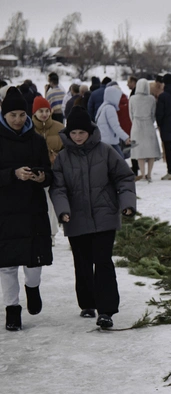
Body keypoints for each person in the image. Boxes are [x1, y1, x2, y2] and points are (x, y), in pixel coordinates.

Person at [49, 106, 136, 328]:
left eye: (82, 132)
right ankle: (87, 302)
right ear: (68, 134)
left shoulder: (105, 151)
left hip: (104, 215)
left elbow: (124, 178)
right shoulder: (62, 158)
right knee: (83, 262)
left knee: (103, 261)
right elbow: (58, 188)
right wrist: (63, 210)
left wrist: (126, 204)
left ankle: (106, 311)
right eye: (74, 133)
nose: (78, 137)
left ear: (90, 132)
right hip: (75, 218)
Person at [0, 87, 53, 331]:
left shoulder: (36, 140)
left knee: (34, 262)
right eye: (13, 115)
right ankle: (12, 310)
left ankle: (33, 288)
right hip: (5, 211)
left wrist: (42, 177)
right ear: (4, 115)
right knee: (7, 266)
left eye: (22, 114)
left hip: (32, 208)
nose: (19, 120)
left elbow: (49, 172)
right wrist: (12, 174)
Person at [32, 96, 65, 245]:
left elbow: (67, 148)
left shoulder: (59, 128)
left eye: (46, 110)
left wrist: (59, 156)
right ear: (34, 113)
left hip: (55, 171)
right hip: (36, 171)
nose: (44, 114)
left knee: (51, 203)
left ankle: (51, 233)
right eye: (40, 111)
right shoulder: (28, 128)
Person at [129, 78, 161, 182]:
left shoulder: (132, 99)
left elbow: (131, 114)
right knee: (150, 151)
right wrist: (150, 121)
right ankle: (149, 174)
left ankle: (142, 174)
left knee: (139, 151)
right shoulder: (151, 98)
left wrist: (135, 122)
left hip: (136, 126)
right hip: (148, 125)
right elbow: (153, 114)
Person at [95, 82, 130, 157]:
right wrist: (126, 138)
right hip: (110, 141)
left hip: (104, 139)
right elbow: (115, 126)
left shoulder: (103, 106)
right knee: (120, 160)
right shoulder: (110, 108)